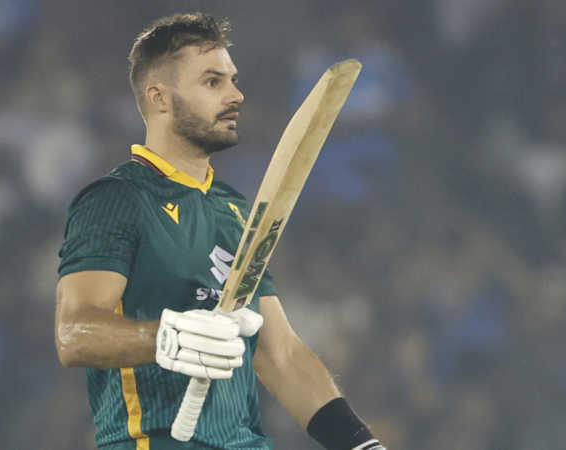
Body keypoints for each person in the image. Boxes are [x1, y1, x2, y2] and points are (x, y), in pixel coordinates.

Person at [54, 12, 385, 450]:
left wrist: (359, 443)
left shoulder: (234, 210)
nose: (236, 95)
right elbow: (73, 334)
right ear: (159, 98)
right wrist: (169, 337)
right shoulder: (117, 199)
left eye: (233, 80)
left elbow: (280, 352)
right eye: (213, 82)